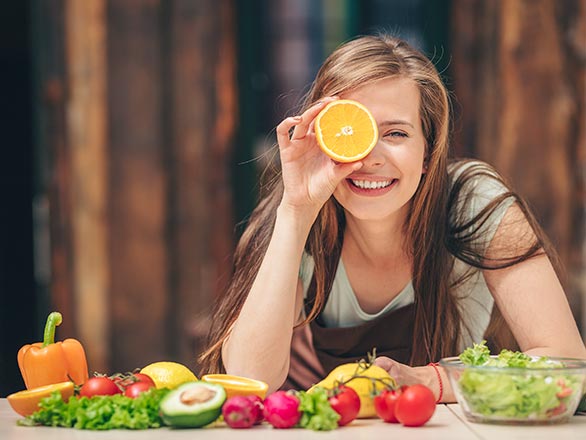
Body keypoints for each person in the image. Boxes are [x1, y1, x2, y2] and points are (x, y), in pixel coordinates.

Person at [199, 34, 586, 402]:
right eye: (353, 132)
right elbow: (250, 380)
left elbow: (569, 364)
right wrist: (297, 210)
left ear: (428, 151)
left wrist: (429, 381)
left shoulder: (472, 202)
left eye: (396, 133)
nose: (370, 158)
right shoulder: (297, 215)